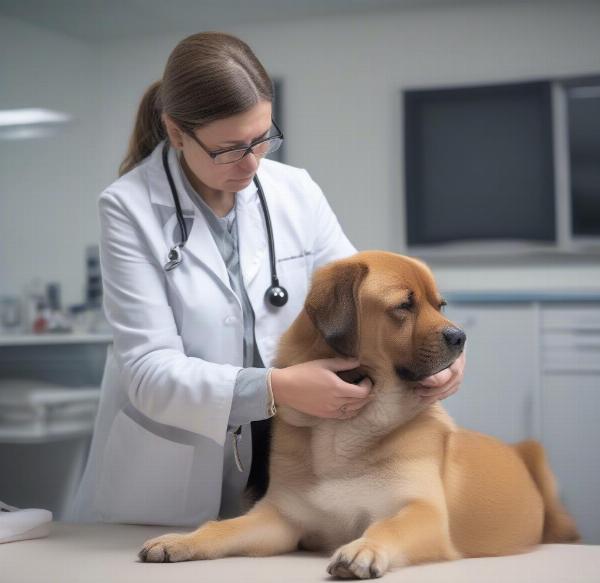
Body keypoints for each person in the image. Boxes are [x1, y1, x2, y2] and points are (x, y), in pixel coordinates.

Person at [69, 32, 465, 527]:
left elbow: (363, 305)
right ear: (175, 132)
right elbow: (148, 371)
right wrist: (275, 387)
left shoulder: (293, 190)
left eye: (262, 139)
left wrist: (434, 350)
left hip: (289, 459)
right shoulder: (127, 208)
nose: (253, 163)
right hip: (171, 474)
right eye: (229, 149)